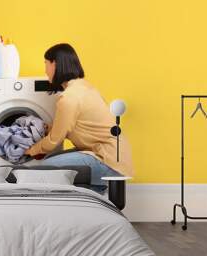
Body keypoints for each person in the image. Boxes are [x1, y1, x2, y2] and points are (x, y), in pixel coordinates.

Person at [25, 43, 133, 185]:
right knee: (52, 159)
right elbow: (75, 126)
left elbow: (54, 140)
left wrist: (30, 151)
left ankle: (95, 190)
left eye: (46, 63)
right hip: (115, 157)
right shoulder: (82, 87)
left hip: (108, 162)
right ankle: (94, 191)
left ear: (55, 64)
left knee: (46, 168)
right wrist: (49, 128)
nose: (45, 70)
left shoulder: (69, 97)